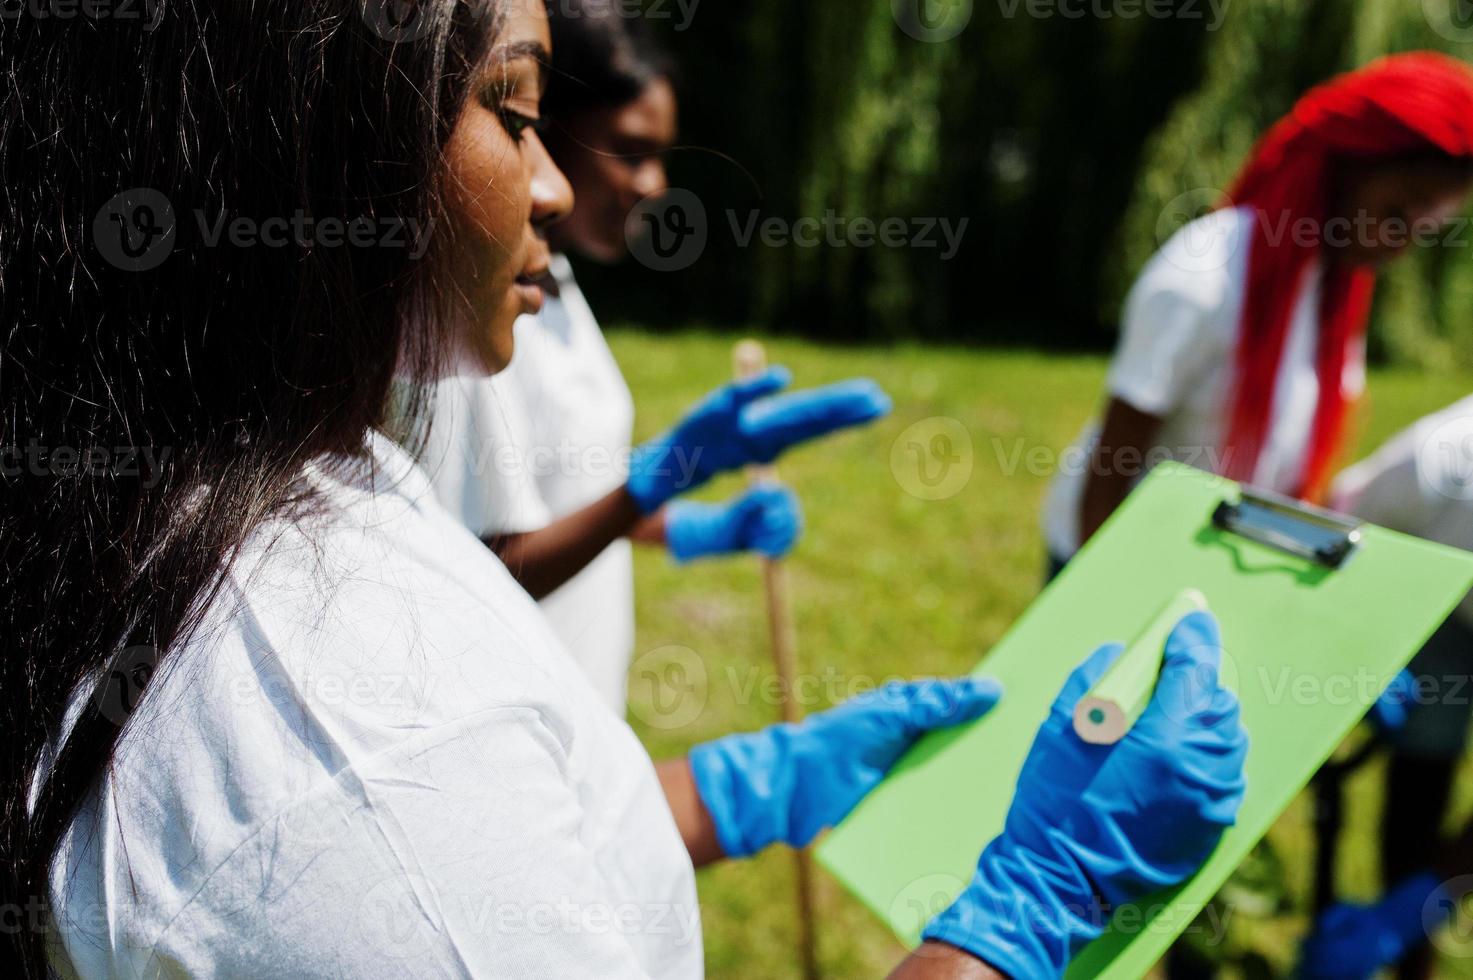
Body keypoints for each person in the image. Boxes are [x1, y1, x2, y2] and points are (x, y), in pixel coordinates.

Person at [5, 2, 1247, 977]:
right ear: (308, 132)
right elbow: (422, 844)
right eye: (511, 107)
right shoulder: (363, 772)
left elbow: (501, 850)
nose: (549, 183)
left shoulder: (284, 480)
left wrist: (727, 793)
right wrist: (1028, 917)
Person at [413, 0, 877, 712]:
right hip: (522, 707)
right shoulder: (477, 329)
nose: (653, 183)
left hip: (587, 689)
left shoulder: (556, 285)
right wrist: (646, 488)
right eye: (630, 150)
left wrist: (690, 527)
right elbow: (484, 569)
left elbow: (566, 490)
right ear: (548, 128)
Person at [1043, 53, 1473, 577]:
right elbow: (1110, 469)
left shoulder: (1332, 288)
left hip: (1209, 566)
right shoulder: (1202, 279)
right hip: (1112, 560)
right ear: (1344, 167)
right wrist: (1098, 593)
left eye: (1424, 230)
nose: (1402, 245)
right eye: (1397, 215)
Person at [1297, 396, 1473, 980]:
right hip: (1446, 594)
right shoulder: (1438, 465)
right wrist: (1354, 646)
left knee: (1423, 884)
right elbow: (1332, 537)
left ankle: (1407, 926)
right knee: (1418, 793)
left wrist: (1419, 905)